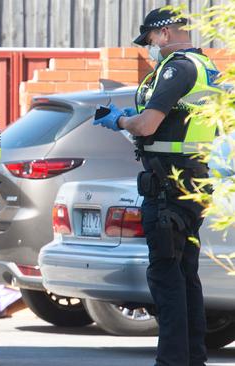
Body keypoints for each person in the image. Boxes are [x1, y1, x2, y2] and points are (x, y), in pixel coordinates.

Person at [93, 8, 221, 366]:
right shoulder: (205, 66)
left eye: (149, 39)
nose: (149, 47)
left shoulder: (177, 67)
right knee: (185, 277)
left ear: (163, 33)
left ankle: (171, 361)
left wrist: (119, 119)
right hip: (190, 180)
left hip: (168, 185)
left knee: (166, 278)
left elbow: (148, 125)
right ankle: (193, 358)